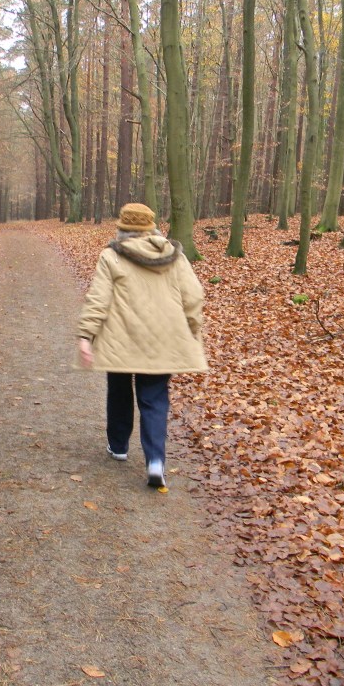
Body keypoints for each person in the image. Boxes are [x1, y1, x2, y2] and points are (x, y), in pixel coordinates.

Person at [76, 203, 208, 490]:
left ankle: (118, 446)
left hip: (121, 338)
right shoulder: (174, 256)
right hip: (163, 339)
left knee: (119, 390)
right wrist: (193, 326)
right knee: (154, 398)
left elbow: (98, 299)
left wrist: (86, 335)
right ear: (151, 227)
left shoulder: (112, 255)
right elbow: (194, 295)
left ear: (122, 228)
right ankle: (155, 461)